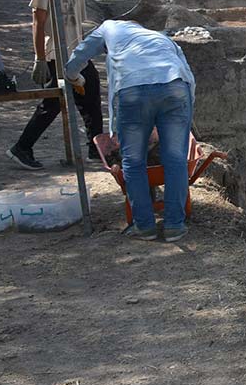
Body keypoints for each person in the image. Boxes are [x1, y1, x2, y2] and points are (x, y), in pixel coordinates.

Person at [64, 20, 196, 242]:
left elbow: (80, 54)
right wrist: (186, 106)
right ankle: (175, 226)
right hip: (176, 86)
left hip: (134, 90)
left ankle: (144, 227)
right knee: (175, 159)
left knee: (133, 161)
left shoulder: (108, 27)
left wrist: (72, 76)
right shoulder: (159, 37)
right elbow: (187, 73)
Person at [8, 0, 103, 170]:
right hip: (54, 54)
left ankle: (96, 149)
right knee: (52, 104)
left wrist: (85, 50)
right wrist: (40, 59)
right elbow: (38, 23)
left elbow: (77, 24)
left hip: (76, 53)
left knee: (91, 97)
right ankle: (22, 147)